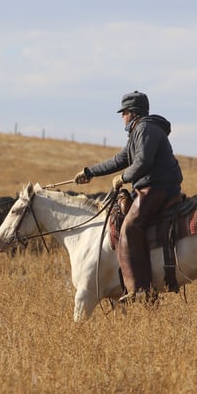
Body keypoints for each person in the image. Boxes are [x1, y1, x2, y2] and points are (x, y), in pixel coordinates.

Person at [73, 91, 183, 302]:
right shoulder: (138, 131)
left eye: (123, 112)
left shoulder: (145, 129)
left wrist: (123, 178)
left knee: (130, 227)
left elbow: (143, 162)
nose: (122, 116)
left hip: (158, 187)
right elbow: (119, 159)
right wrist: (90, 172)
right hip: (152, 186)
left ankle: (141, 290)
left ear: (132, 112)